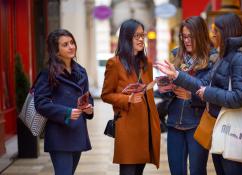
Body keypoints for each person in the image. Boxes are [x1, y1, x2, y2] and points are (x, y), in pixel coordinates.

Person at [154, 13, 242, 175]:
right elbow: (205, 85)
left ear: (226, 32)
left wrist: (201, 92)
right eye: (183, 36)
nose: (213, 34)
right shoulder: (225, 57)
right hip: (215, 126)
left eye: (216, 30)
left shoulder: (235, 58)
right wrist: (172, 82)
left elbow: (239, 96)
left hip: (226, 127)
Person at [101, 19, 161, 175]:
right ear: (126, 38)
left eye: (143, 35)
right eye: (137, 36)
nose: (141, 39)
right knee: (128, 171)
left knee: (139, 171)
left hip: (146, 125)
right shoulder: (114, 63)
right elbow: (106, 95)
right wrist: (127, 99)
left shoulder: (146, 62)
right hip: (127, 126)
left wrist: (162, 86)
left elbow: (147, 91)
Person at [34, 29, 94, 175]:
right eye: (65, 44)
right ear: (56, 50)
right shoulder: (48, 72)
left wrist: (89, 108)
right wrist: (66, 112)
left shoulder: (81, 71)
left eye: (72, 42)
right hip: (59, 134)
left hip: (77, 132)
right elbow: (40, 103)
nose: (71, 47)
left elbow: (87, 96)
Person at [161, 16, 212, 175]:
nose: (187, 41)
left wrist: (191, 95)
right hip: (174, 121)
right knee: (176, 170)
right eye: (184, 36)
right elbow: (170, 92)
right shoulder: (177, 56)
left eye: (191, 36)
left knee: (197, 171)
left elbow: (209, 89)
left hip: (197, 123)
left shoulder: (212, 59)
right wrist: (167, 87)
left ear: (201, 35)